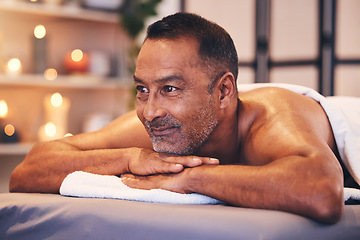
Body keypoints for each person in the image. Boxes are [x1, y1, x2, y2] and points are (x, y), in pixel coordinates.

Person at [10, 12, 348, 224]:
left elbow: (321, 191)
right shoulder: (157, 124)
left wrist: (189, 179)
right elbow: (29, 170)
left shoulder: (272, 116)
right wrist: (129, 157)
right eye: (142, 89)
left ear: (224, 92)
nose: (150, 112)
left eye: (170, 88)